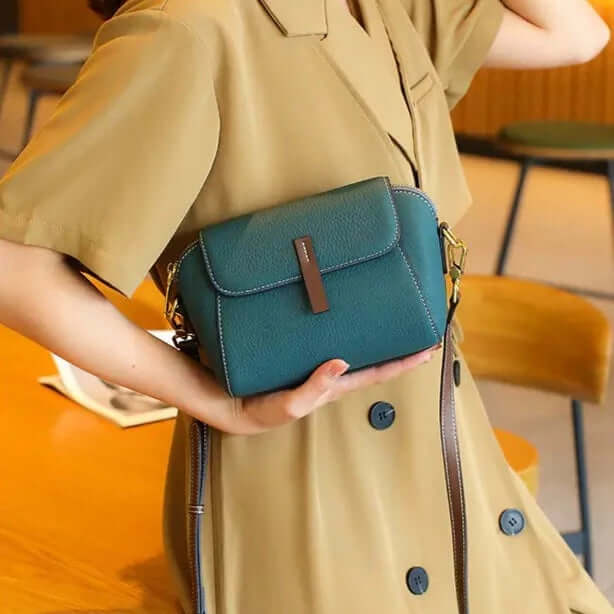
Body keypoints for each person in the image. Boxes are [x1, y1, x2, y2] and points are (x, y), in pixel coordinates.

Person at [0, 0, 610, 612]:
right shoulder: (187, 29)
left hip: (455, 473)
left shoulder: (388, 9)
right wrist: (215, 401)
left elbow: (576, 33)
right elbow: (15, 267)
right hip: (312, 507)